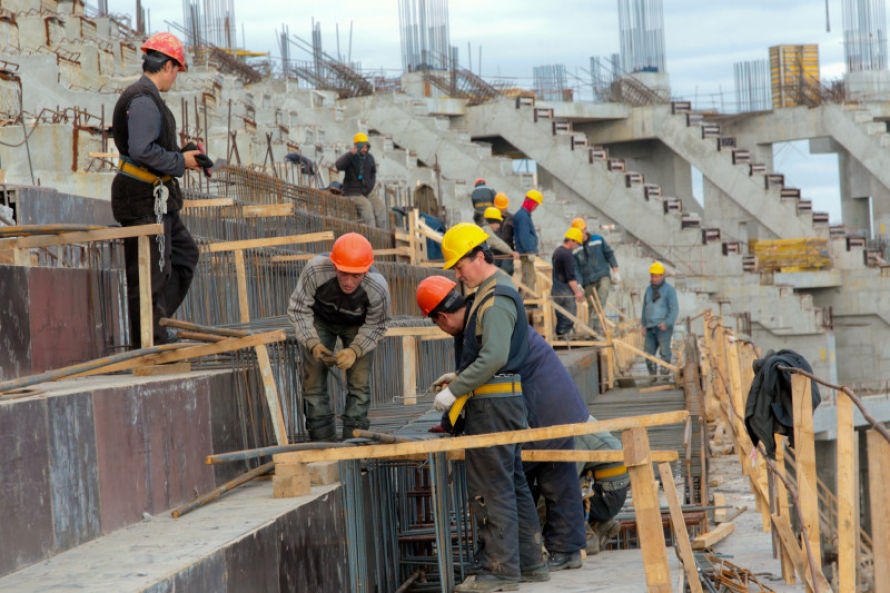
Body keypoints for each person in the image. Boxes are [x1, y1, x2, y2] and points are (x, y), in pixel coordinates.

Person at [418, 275, 587, 571]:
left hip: (542, 403)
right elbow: (482, 370)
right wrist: (458, 379)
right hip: (551, 399)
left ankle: (549, 553)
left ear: (442, 317)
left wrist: (450, 413)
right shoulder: (481, 315)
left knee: (523, 475)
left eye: (437, 324)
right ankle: (551, 552)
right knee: (547, 474)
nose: (442, 330)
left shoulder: (479, 324)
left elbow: (488, 369)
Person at [432, 223, 547, 591]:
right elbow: (492, 352)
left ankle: (499, 572)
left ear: (479, 256)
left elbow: (496, 355)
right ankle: (529, 564)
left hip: (493, 405)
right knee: (512, 483)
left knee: (490, 488)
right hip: (502, 401)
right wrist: (461, 374)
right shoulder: (488, 292)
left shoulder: (494, 297)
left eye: (460, 265)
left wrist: (457, 390)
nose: (457, 273)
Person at [111, 32, 201, 346]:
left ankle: (156, 325)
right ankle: (148, 341)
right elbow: (142, 150)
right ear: (168, 66)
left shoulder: (148, 98)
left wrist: (183, 153)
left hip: (156, 198)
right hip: (140, 199)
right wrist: (180, 161)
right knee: (147, 275)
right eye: (177, 71)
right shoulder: (143, 99)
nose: (175, 78)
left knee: (184, 255)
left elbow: (151, 148)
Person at [287, 233, 391, 441]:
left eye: (356, 276)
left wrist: (355, 350)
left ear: (365, 272)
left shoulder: (377, 287)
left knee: (359, 385)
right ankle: (322, 442)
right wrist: (312, 342)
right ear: (334, 266)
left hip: (357, 326)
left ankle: (354, 443)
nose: (348, 282)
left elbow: (377, 324)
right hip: (321, 320)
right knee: (313, 381)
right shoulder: (316, 270)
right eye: (343, 274)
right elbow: (299, 309)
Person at [571, 218, 619, 332]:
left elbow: (609, 254)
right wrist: (578, 284)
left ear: (585, 229)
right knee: (592, 305)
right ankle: (595, 330)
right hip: (587, 281)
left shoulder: (598, 240)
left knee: (601, 297)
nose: (581, 234)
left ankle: (592, 327)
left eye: (582, 231)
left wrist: (616, 271)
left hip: (603, 275)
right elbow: (575, 268)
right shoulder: (575, 248)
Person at [336, 132, 387, 229]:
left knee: (381, 208)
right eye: (363, 147)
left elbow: (373, 173)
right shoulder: (350, 157)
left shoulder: (369, 158)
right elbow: (338, 165)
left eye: (366, 147)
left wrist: (369, 187)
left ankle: (383, 233)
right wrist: (350, 154)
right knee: (367, 208)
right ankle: (371, 233)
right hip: (353, 192)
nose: (365, 149)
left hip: (367, 191)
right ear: (357, 147)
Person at [641, 261, 679, 378]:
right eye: (652, 276)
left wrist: (667, 323)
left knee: (665, 353)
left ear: (662, 276)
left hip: (663, 328)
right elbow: (645, 307)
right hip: (649, 327)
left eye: (656, 276)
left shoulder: (669, 290)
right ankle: (652, 377)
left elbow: (674, 310)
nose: (654, 279)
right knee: (648, 354)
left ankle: (664, 377)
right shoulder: (648, 290)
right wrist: (643, 324)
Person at [551, 228, 585, 337]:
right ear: (571, 240)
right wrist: (577, 292)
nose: (577, 246)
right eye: (577, 243)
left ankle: (562, 338)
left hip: (556, 289)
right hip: (565, 290)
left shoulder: (557, 251)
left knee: (561, 316)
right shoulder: (567, 255)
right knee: (569, 316)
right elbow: (570, 278)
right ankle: (563, 340)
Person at [512, 189, 543, 294]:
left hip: (526, 252)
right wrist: (529, 250)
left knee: (528, 277)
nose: (535, 207)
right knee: (529, 278)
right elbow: (524, 235)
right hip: (525, 254)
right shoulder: (523, 217)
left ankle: (527, 300)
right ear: (530, 202)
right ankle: (528, 301)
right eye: (535, 205)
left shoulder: (524, 215)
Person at [481, 206, 516, 275]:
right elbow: (497, 243)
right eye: (498, 223)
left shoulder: (482, 229)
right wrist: (511, 252)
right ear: (493, 221)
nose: (499, 226)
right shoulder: (486, 231)